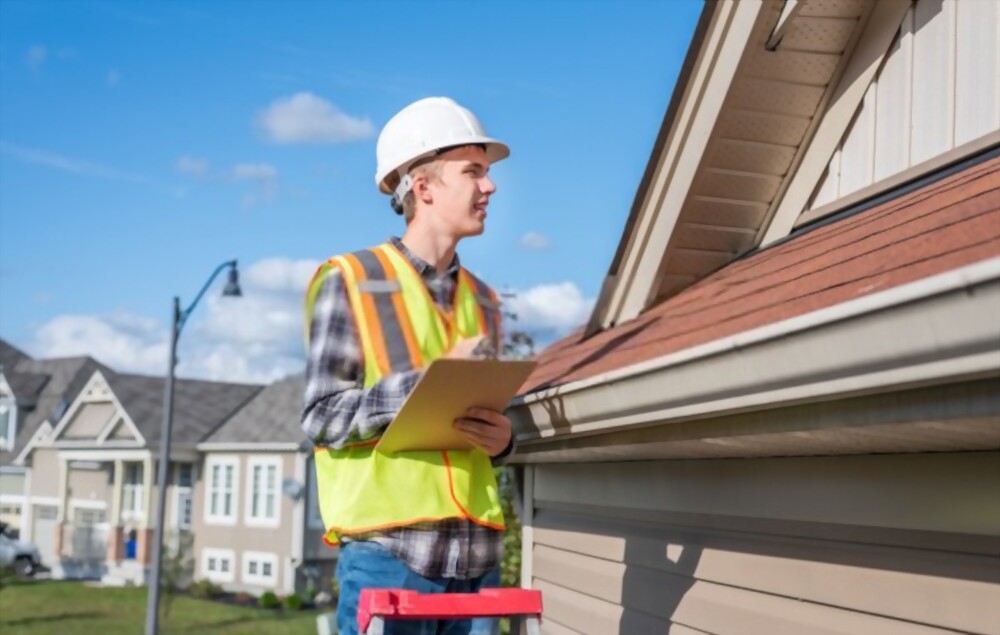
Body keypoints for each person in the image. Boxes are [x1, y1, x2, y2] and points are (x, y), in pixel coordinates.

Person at [302, 96, 514, 635]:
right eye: (473, 173)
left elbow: (484, 427)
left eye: (487, 174)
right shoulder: (350, 279)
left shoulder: (486, 302)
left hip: (478, 560)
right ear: (423, 188)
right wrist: (428, 383)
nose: (489, 187)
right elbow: (322, 417)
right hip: (391, 557)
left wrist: (506, 440)